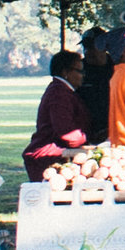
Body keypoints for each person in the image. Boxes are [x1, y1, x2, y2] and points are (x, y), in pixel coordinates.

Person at [24, 50, 88, 180]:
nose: (83, 76)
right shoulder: (59, 93)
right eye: (79, 71)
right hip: (47, 156)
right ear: (66, 72)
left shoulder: (60, 90)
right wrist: (86, 140)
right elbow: (67, 134)